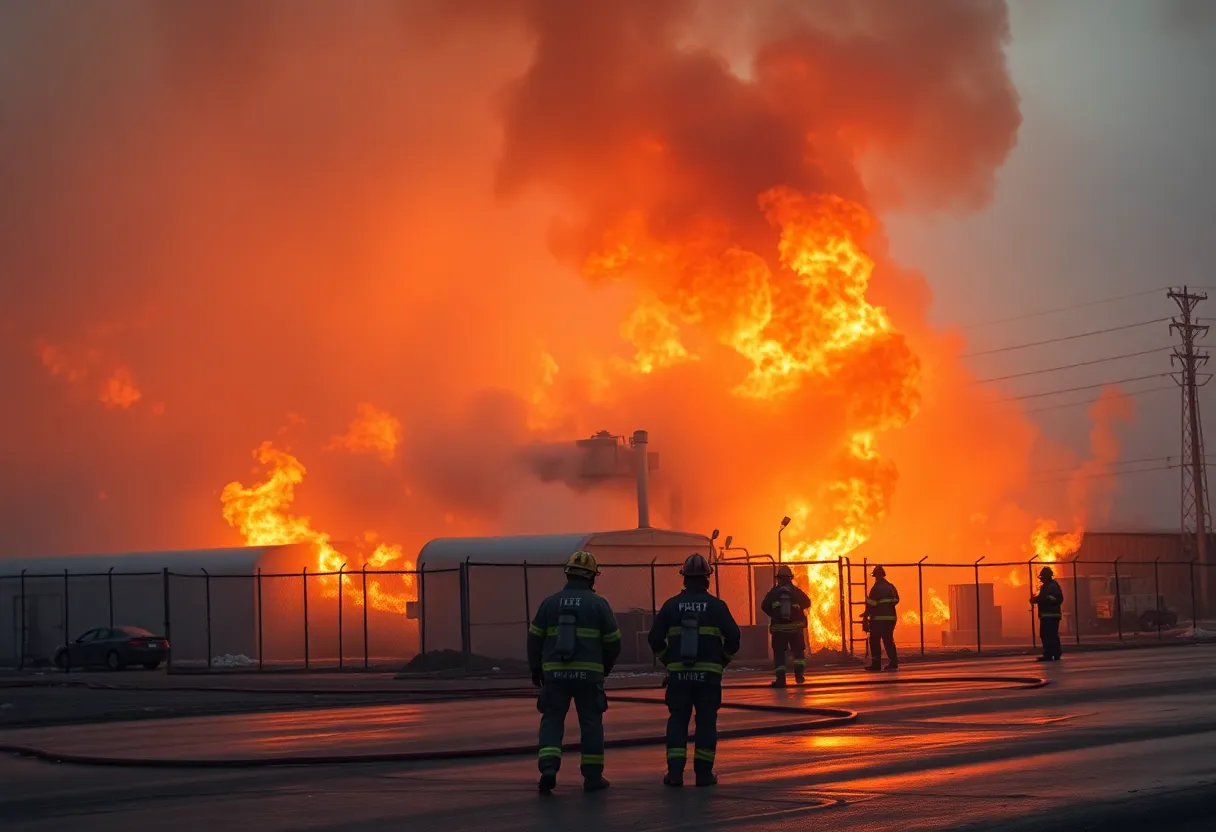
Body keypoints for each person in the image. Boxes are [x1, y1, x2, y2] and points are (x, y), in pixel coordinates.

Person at [527, 550, 622, 793]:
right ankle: (592, 777)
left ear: (568, 574)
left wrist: (536, 669)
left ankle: (548, 767)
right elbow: (613, 642)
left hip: (554, 676)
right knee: (590, 722)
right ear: (591, 578)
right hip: (589, 677)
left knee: (552, 720)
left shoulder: (549, 603)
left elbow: (534, 640)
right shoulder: (599, 605)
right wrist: (604, 668)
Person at [648, 553, 741, 788]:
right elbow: (735, 638)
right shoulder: (717, 606)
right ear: (707, 579)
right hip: (708, 677)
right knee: (706, 722)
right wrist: (721, 662)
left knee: (678, 721)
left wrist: (669, 661)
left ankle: (675, 775)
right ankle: (703, 775)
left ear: (685, 578)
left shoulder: (671, 606)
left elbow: (654, 638)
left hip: (679, 677)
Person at [761, 564, 812, 686]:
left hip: (779, 630)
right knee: (798, 653)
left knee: (779, 654)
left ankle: (781, 680)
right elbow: (807, 602)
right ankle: (799, 676)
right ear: (790, 578)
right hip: (795, 629)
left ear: (778, 578)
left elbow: (764, 606)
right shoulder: (796, 592)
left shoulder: (773, 593)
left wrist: (774, 614)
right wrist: (798, 608)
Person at [863, 565, 899, 672]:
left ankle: (876, 664)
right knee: (888, 640)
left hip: (878, 619)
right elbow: (896, 600)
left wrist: (865, 616)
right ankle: (893, 662)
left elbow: (871, 603)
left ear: (876, 576)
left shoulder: (876, 587)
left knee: (874, 640)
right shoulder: (890, 587)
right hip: (891, 618)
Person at [1030, 565, 1065, 662]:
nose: (1041, 580)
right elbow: (1044, 598)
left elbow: (1055, 599)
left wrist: (1039, 600)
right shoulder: (1046, 586)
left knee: (1050, 635)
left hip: (1051, 616)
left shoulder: (1052, 586)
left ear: (1047, 577)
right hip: (1046, 616)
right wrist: (1036, 599)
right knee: (1047, 635)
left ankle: (1052, 654)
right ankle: (1051, 654)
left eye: (1043, 577)